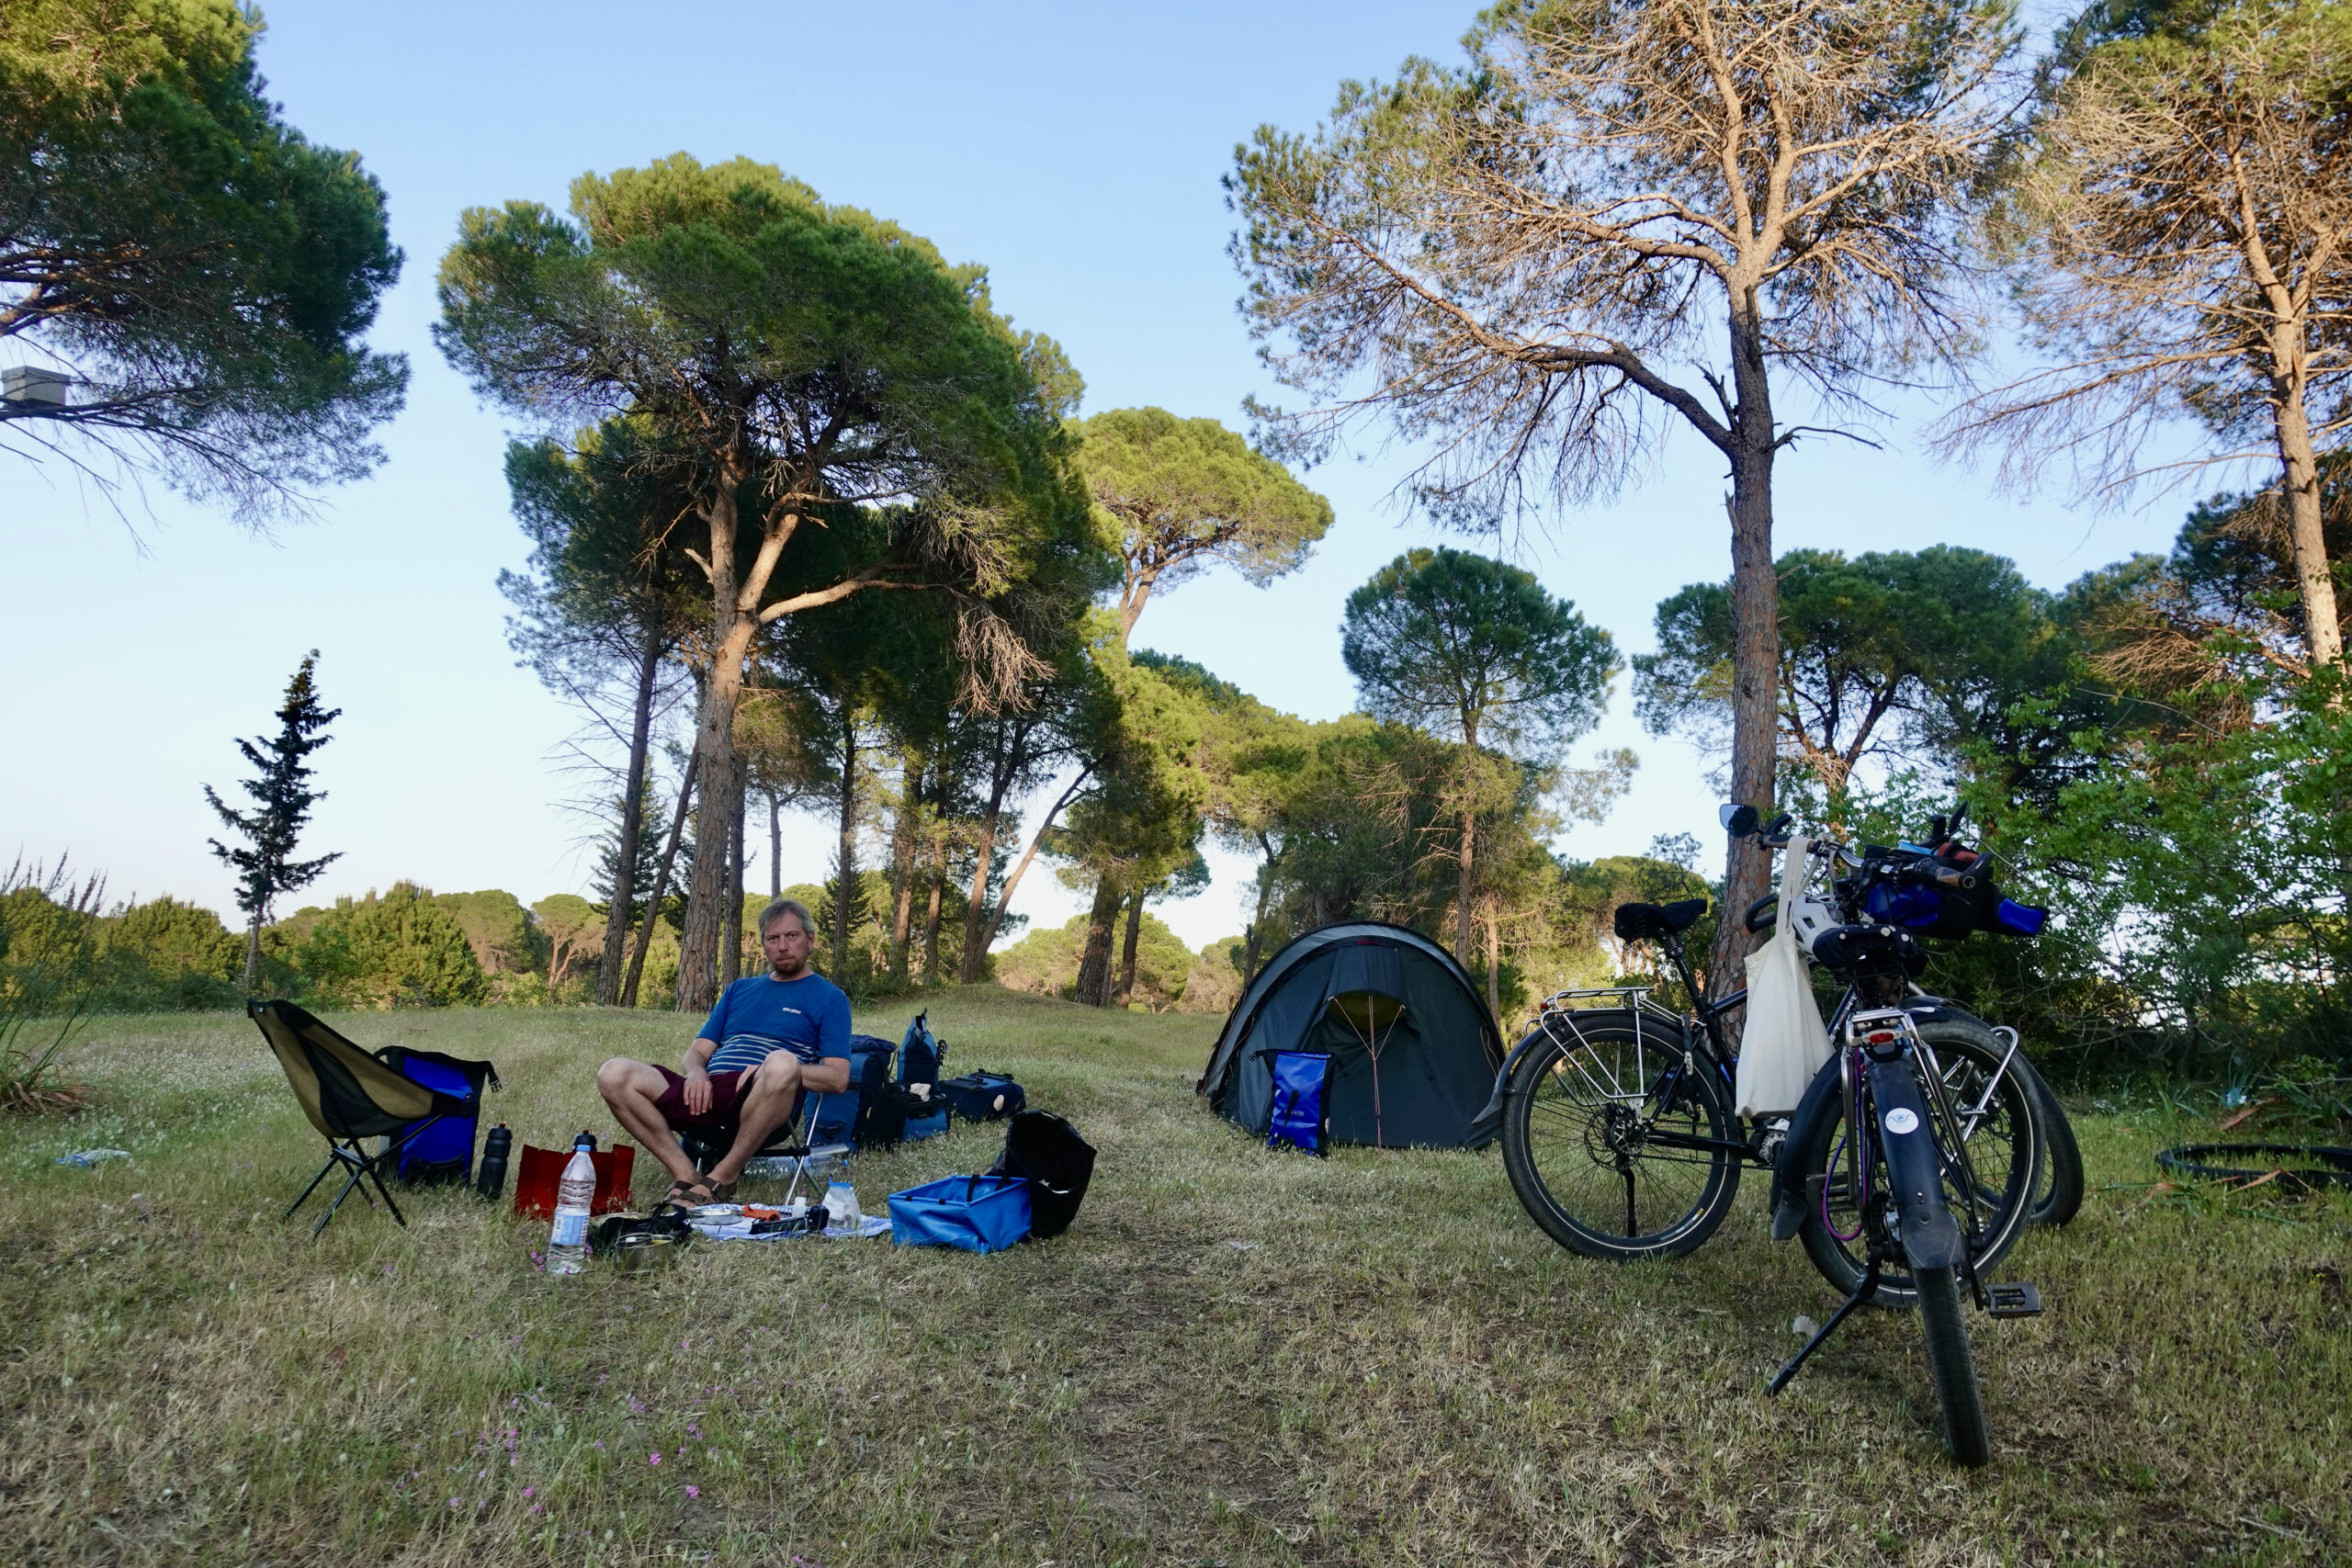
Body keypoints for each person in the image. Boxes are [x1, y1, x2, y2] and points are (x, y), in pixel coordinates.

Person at [595, 897, 852, 1207]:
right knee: (614, 1073)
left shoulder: (830, 998)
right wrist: (697, 1073)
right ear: (764, 946)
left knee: (782, 1062)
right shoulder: (739, 990)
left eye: (792, 936)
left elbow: (837, 1078)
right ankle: (685, 1173)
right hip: (708, 1095)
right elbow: (697, 1052)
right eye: (773, 938)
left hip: (762, 1100)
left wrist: (766, 1070)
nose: (783, 946)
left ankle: (725, 1175)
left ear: (810, 940)